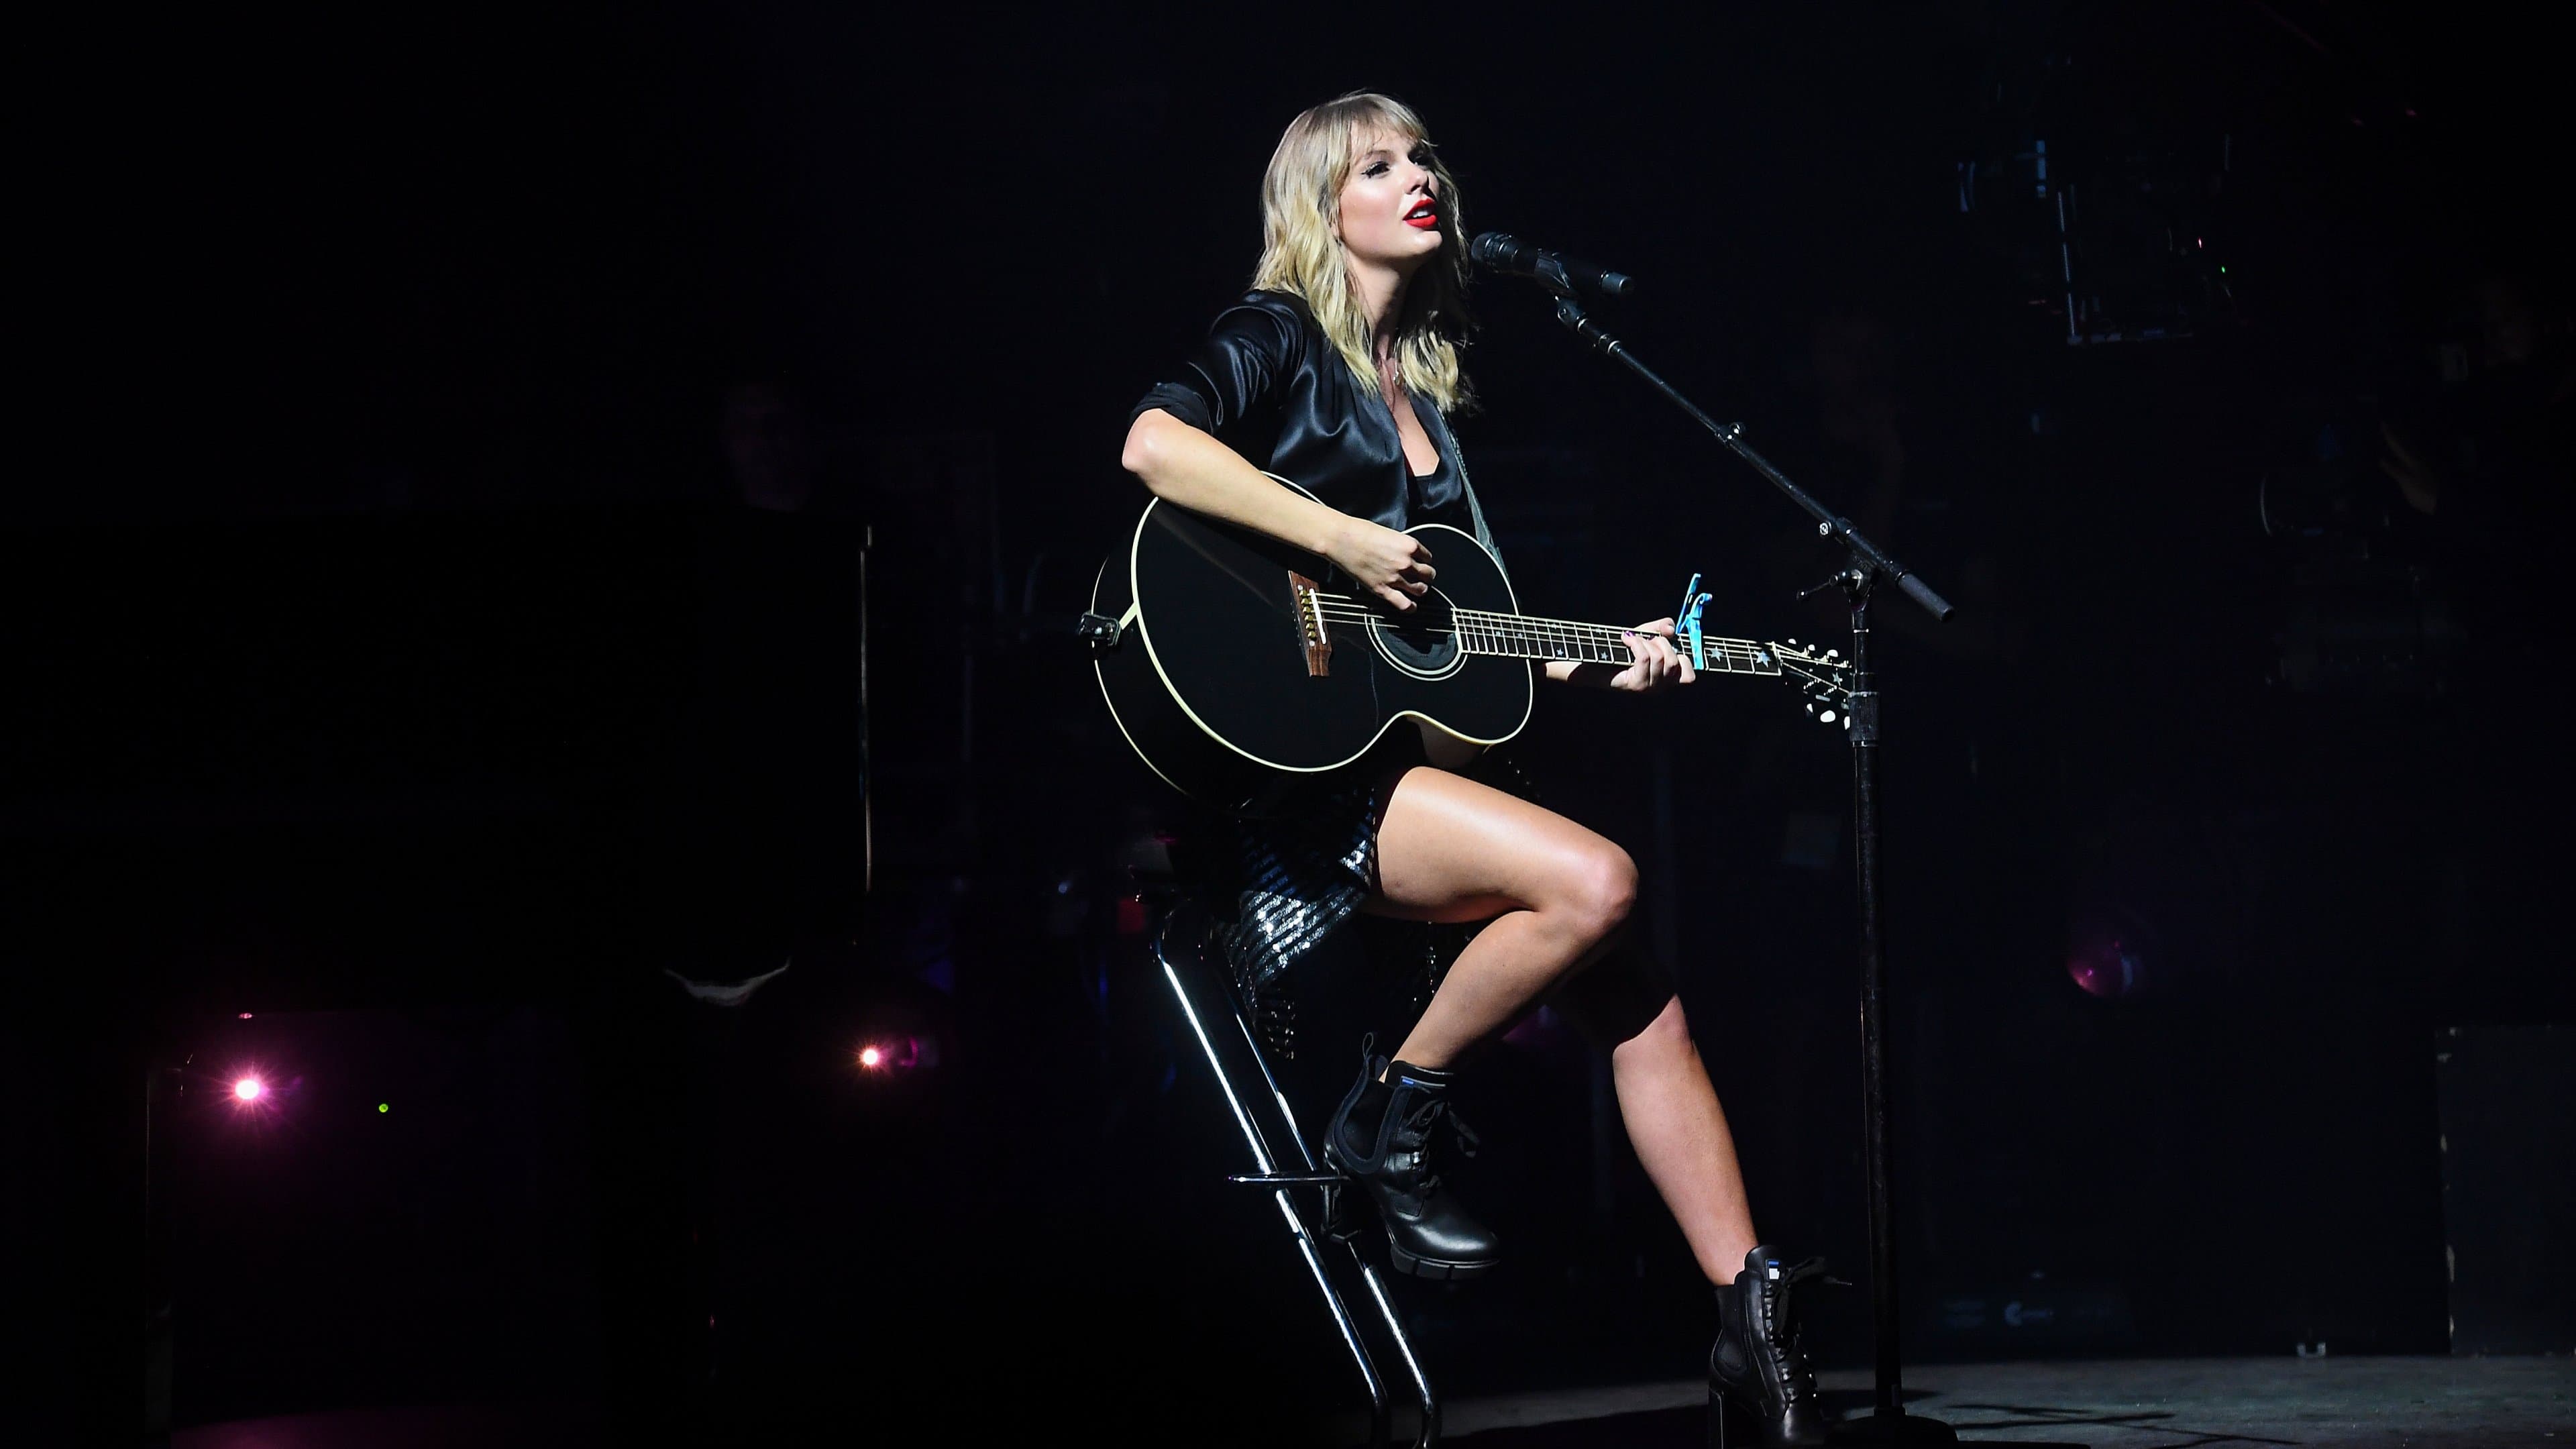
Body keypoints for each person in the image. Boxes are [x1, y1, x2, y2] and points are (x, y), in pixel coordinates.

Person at [1119, 91, 1829, 1444]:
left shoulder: (1425, 391)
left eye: (1422, 157)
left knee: (1646, 1001)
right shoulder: (1274, 339)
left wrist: (1597, 653)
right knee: (1599, 881)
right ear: (1322, 206)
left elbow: (1457, 643)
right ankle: (1385, 1117)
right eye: (1376, 165)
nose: (1416, 177)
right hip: (1299, 795)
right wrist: (1336, 540)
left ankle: (1751, 1322)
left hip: (1399, 769)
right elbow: (1153, 446)